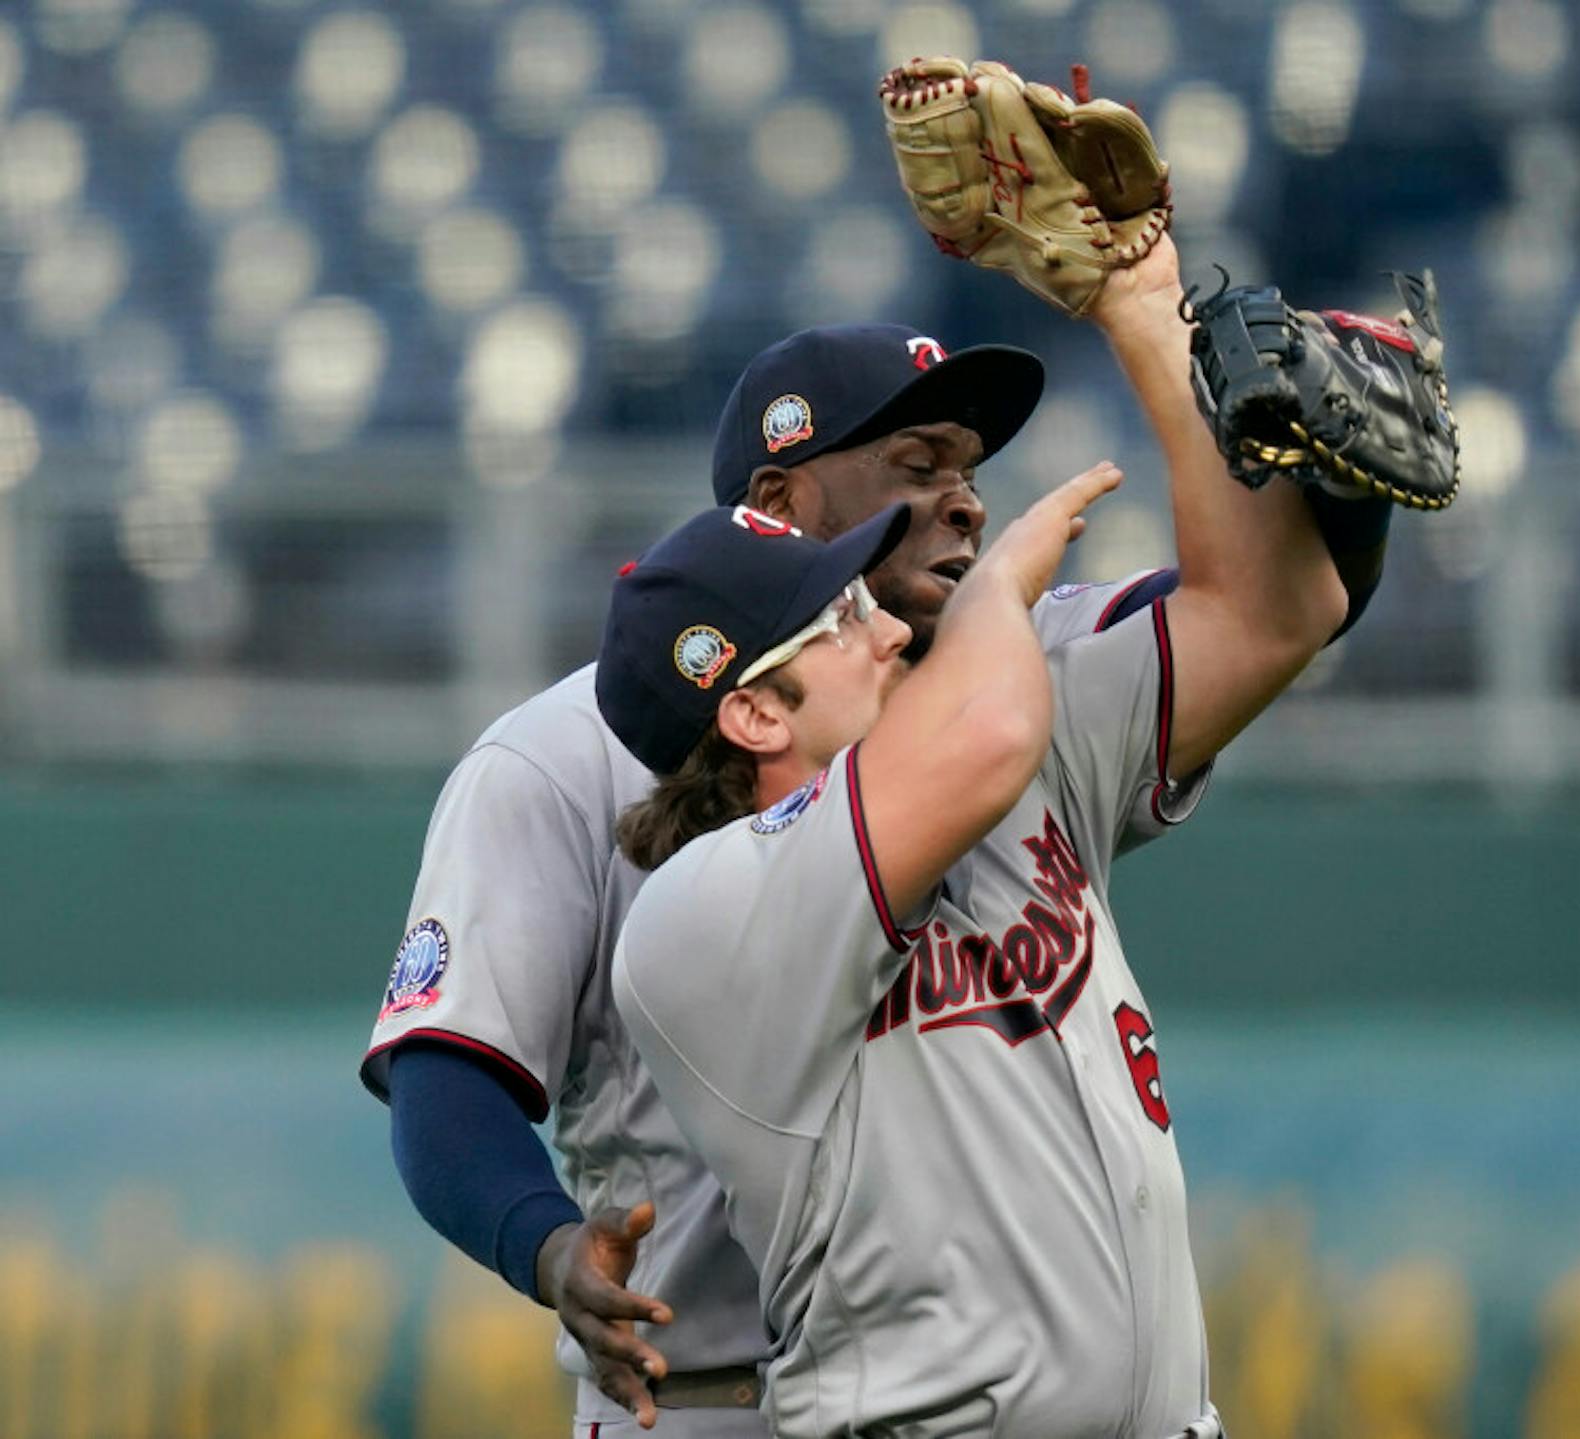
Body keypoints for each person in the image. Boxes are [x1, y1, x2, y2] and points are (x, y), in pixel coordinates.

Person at [361, 236, 1395, 1435]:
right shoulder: (565, 764)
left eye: (970, 466)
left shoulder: (999, 669)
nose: (964, 496)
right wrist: (546, 1247)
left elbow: (1275, 616)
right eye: (916, 463)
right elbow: (448, 1072)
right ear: (779, 507)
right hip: (712, 1393)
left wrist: (1316, 466)